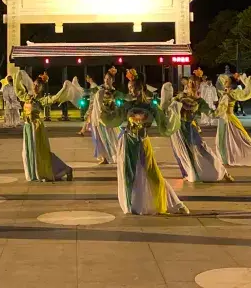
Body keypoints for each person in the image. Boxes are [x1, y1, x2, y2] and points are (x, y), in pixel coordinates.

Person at [96, 68, 189, 215]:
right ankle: (131, 205)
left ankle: (173, 203)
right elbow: (113, 120)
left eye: (134, 88)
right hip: (128, 142)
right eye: (129, 88)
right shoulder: (127, 105)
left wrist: (173, 110)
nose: (131, 91)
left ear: (142, 88)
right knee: (129, 175)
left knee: (154, 175)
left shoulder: (151, 107)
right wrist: (104, 105)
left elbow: (165, 126)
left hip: (143, 142)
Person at [13, 71, 81, 182]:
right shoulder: (26, 97)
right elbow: (18, 90)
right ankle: (34, 173)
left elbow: (55, 98)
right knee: (29, 151)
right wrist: (18, 75)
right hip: (28, 127)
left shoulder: (41, 100)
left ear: (41, 88)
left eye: (38, 86)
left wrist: (64, 89)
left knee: (42, 153)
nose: (36, 87)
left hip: (36, 128)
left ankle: (65, 169)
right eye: (35, 84)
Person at [166, 73, 231, 183]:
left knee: (203, 149)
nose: (192, 84)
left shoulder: (200, 102)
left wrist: (222, 105)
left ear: (199, 85)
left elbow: (211, 114)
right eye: (191, 82)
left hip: (189, 128)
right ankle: (188, 173)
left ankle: (222, 171)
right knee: (180, 152)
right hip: (177, 128)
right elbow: (169, 108)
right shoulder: (180, 97)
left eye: (195, 83)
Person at [215, 72, 251, 166]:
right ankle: (225, 158)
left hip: (230, 118)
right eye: (225, 81)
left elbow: (247, 93)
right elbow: (220, 81)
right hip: (223, 118)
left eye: (227, 81)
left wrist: (245, 80)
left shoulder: (233, 93)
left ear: (231, 83)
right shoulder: (224, 92)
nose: (225, 82)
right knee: (223, 139)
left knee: (241, 138)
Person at [84, 72, 118, 164]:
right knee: (99, 137)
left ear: (113, 80)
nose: (106, 80)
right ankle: (104, 157)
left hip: (107, 117)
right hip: (97, 116)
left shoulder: (113, 91)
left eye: (109, 79)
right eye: (105, 78)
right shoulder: (100, 89)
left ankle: (112, 155)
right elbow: (95, 103)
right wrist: (89, 115)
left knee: (109, 137)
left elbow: (113, 104)